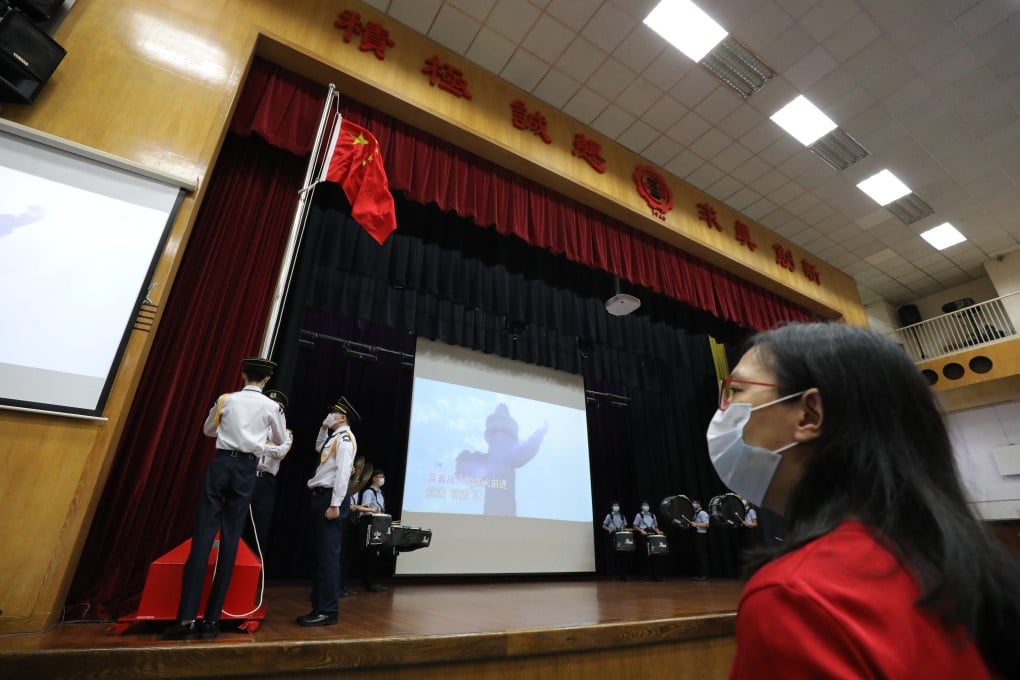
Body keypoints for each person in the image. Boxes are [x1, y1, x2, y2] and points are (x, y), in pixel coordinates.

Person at [709, 322, 1020, 679]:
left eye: (737, 390)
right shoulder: (959, 563)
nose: (723, 412)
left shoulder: (796, 596)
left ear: (809, 414)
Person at [163, 357, 287, 641]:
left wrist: (232, 433)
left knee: (203, 537)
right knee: (231, 538)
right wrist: (255, 442)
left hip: (220, 464)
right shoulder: (272, 406)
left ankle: (185, 619)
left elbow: (208, 430)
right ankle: (212, 620)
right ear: (267, 380)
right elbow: (280, 440)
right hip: (246, 470)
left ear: (243, 373)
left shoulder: (225, 400)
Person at [296, 396, 360, 626]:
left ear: (342, 417)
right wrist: (323, 427)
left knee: (328, 557)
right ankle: (319, 604)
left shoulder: (345, 438)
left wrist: (335, 504)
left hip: (330, 499)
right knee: (320, 555)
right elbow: (317, 447)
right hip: (320, 497)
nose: (328, 416)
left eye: (332, 413)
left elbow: (343, 473)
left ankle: (328, 610)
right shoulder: (333, 437)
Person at [455, 403, 547, 516]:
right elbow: (527, 448)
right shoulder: (512, 455)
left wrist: (462, 463)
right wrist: (538, 436)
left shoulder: (491, 460)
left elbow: (465, 466)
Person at [243, 389, 293, 556]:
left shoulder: (286, 433)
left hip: (265, 481)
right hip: (246, 474)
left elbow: (280, 452)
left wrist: (258, 444)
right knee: (235, 521)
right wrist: (268, 444)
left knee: (258, 527)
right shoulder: (254, 428)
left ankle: (256, 572)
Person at [354, 469, 390, 592]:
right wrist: (372, 511)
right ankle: (368, 583)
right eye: (380, 477)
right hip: (369, 524)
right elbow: (364, 508)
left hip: (379, 524)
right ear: (374, 478)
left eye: (383, 477)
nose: (382, 479)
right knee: (369, 554)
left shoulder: (381, 493)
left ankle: (374, 581)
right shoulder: (369, 492)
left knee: (376, 554)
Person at [631, 500, 665, 581]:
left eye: (647, 505)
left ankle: (656, 575)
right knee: (647, 555)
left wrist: (659, 532)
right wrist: (641, 530)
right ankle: (647, 575)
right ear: (641, 507)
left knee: (655, 555)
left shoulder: (653, 515)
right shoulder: (639, 515)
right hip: (644, 535)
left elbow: (655, 527)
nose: (646, 506)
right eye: (644, 505)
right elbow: (635, 525)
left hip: (653, 535)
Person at [600, 500, 632, 580]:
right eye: (614, 505)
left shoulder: (622, 516)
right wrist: (608, 529)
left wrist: (628, 530)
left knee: (623, 555)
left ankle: (624, 575)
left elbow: (624, 527)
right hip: (613, 535)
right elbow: (603, 525)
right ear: (612, 507)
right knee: (614, 555)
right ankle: (614, 575)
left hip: (622, 535)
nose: (616, 506)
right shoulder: (609, 516)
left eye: (617, 505)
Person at [688, 499, 710, 581]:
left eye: (694, 503)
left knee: (702, 555)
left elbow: (707, 525)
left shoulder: (703, 513)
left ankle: (705, 575)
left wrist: (696, 524)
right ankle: (699, 574)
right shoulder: (695, 514)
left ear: (698, 503)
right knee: (697, 555)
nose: (693, 505)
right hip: (696, 535)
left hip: (701, 535)